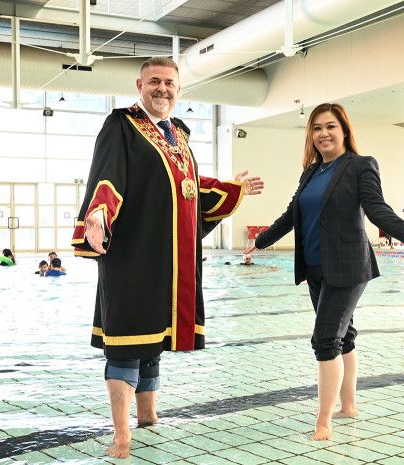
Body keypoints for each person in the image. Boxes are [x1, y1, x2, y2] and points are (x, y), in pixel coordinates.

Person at [71, 57, 264, 459]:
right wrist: (97, 212)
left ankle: (149, 418)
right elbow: (107, 176)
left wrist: (232, 187)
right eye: (155, 81)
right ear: (139, 84)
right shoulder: (121, 125)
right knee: (126, 340)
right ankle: (122, 434)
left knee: (154, 339)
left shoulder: (178, 134)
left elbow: (189, 186)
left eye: (170, 83)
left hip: (170, 257)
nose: (162, 89)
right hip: (132, 254)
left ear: (179, 90)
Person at [243, 103, 404, 441]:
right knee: (344, 335)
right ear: (310, 136)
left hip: (348, 266)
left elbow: (375, 207)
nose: (323, 133)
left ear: (344, 130)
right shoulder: (310, 173)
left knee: (325, 339)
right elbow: (291, 215)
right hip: (315, 267)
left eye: (330, 126)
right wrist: (262, 240)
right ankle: (349, 405)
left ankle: (323, 422)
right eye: (316, 128)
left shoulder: (360, 165)